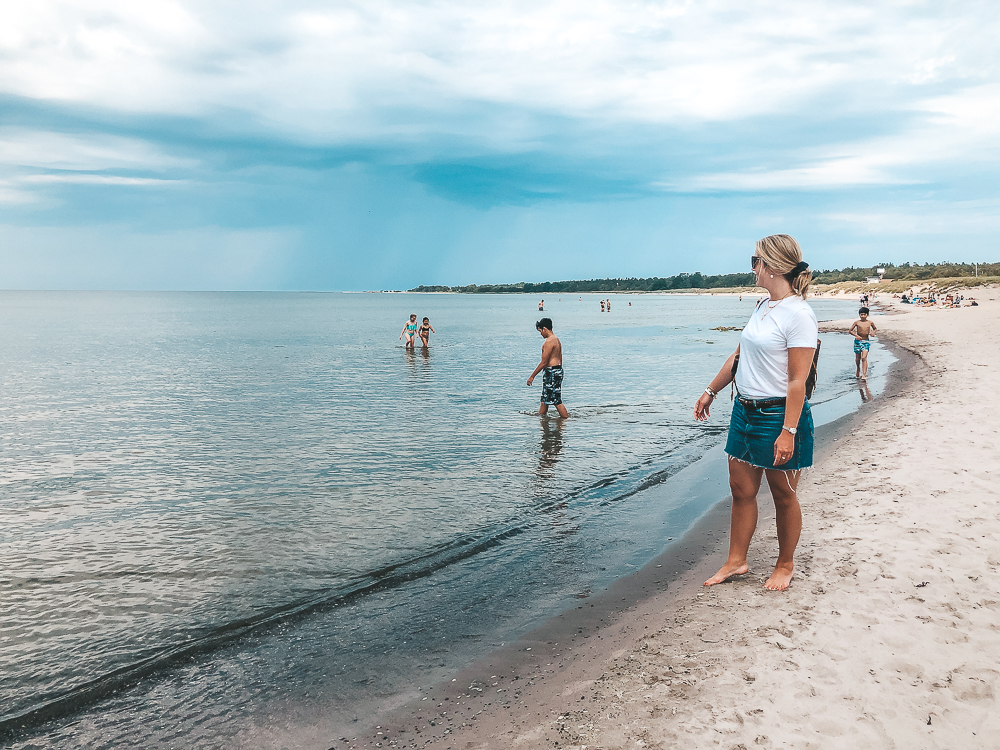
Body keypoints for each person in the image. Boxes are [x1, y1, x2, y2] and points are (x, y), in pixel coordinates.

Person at [694, 234, 818, 592]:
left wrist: (788, 431)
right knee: (741, 490)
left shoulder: (799, 314)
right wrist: (709, 391)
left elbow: (797, 380)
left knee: (782, 493)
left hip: (778, 416)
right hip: (743, 412)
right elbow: (738, 357)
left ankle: (785, 563)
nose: (753, 268)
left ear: (774, 266)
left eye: (756, 261)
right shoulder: (763, 306)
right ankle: (737, 561)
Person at [527, 317, 569, 418]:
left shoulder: (549, 341)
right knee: (544, 400)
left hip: (552, 372)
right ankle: (542, 422)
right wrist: (559, 372)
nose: (541, 334)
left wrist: (532, 376)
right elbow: (560, 357)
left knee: (556, 401)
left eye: (540, 331)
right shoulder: (556, 339)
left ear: (545, 329)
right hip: (556, 370)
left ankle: (565, 422)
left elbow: (544, 362)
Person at [849, 307, 877, 380]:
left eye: (864, 314)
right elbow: (850, 331)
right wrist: (856, 335)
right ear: (859, 315)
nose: (862, 316)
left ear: (867, 315)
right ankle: (858, 368)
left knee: (864, 357)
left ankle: (864, 374)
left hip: (866, 341)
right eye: (861, 315)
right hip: (858, 342)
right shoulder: (857, 322)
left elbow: (875, 328)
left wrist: (873, 332)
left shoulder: (870, 322)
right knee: (858, 358)